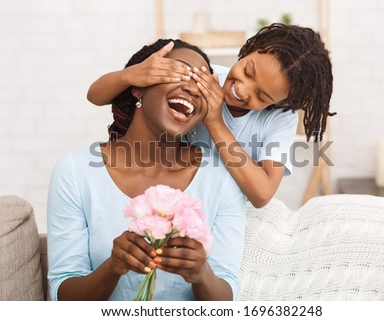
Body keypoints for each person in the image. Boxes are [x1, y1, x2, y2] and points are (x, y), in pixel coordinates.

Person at [47, 39, 246, 301]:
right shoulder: (75, 171)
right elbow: (62, 295)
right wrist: (112, 267)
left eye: (203, 85)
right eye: (181, 72)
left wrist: (202, 275)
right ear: (138, 87)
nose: (193, 89)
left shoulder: (222, 177)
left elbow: (226, 298)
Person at [87, 23, 335, 208]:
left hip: (223, 208)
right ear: (250, 49)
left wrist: (215, 122)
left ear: (280, 102)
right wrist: (131, 75)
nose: (243, 90)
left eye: (262, 97)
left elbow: (261, 194)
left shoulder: (281, 117)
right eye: (248, 71)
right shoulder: (204, 74)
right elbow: (95, 96)